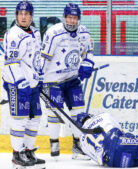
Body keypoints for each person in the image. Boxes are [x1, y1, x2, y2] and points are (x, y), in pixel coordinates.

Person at [40, 3, 93, 160]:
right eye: (69, 17)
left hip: (72, 78)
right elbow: (44, 58)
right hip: (53, 80)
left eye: (75, 18)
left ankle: (77, 145)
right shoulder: (53, 33)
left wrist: (87, 64)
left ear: (79, 19)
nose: (71, 21)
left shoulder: (84, 33)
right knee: (55, 113)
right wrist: (39, 78)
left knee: (78, 112)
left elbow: (88, 52)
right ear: (64, 17)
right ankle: (54, 143)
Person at [2, 1, 45, 168]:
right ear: (16, 15)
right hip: (16, 84)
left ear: (31, 16)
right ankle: (16, 154)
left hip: (33, 83)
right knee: (20, 119)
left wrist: (39, 77)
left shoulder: (35, 32)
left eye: (27, 14)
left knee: (35, 118)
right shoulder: (13, 35)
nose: (23, 16)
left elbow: (36, 58)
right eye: (20, 13)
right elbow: (11, 63)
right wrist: (21, 81)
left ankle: (28, 151)